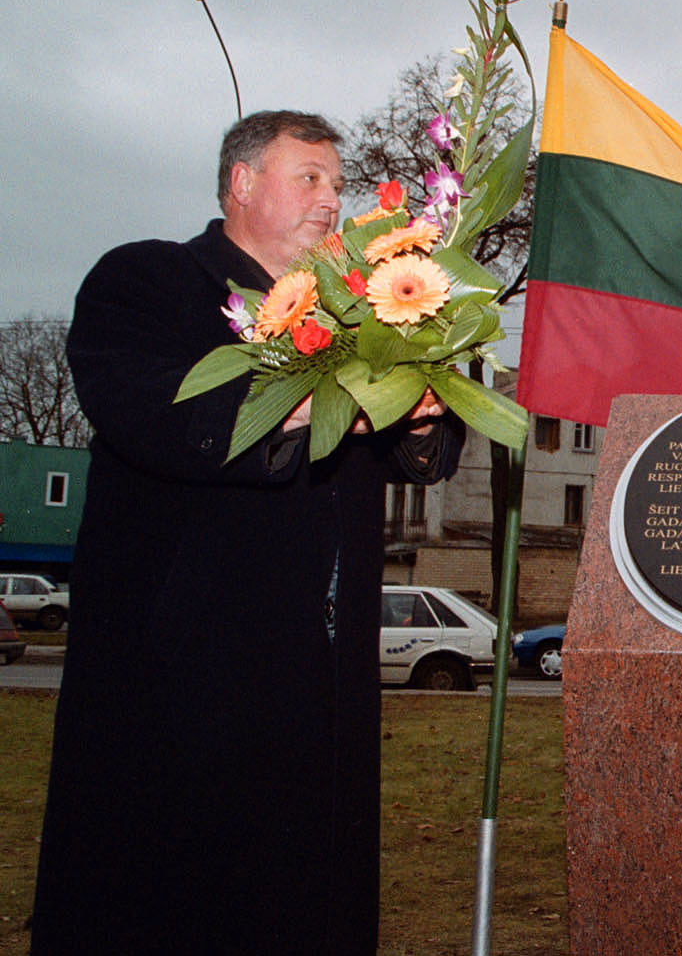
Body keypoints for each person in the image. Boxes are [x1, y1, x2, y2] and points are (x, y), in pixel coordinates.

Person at [30, 111, 463, 955]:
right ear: (241, 182)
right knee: (166, 905)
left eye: (338, 183)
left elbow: (429, 452)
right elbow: (146, 406)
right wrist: (310, 403)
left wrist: (420, 418)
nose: (332, 199)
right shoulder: (147, 279)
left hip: (322, 685)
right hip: (177, 680)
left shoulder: (359, 308)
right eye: (309, 177)